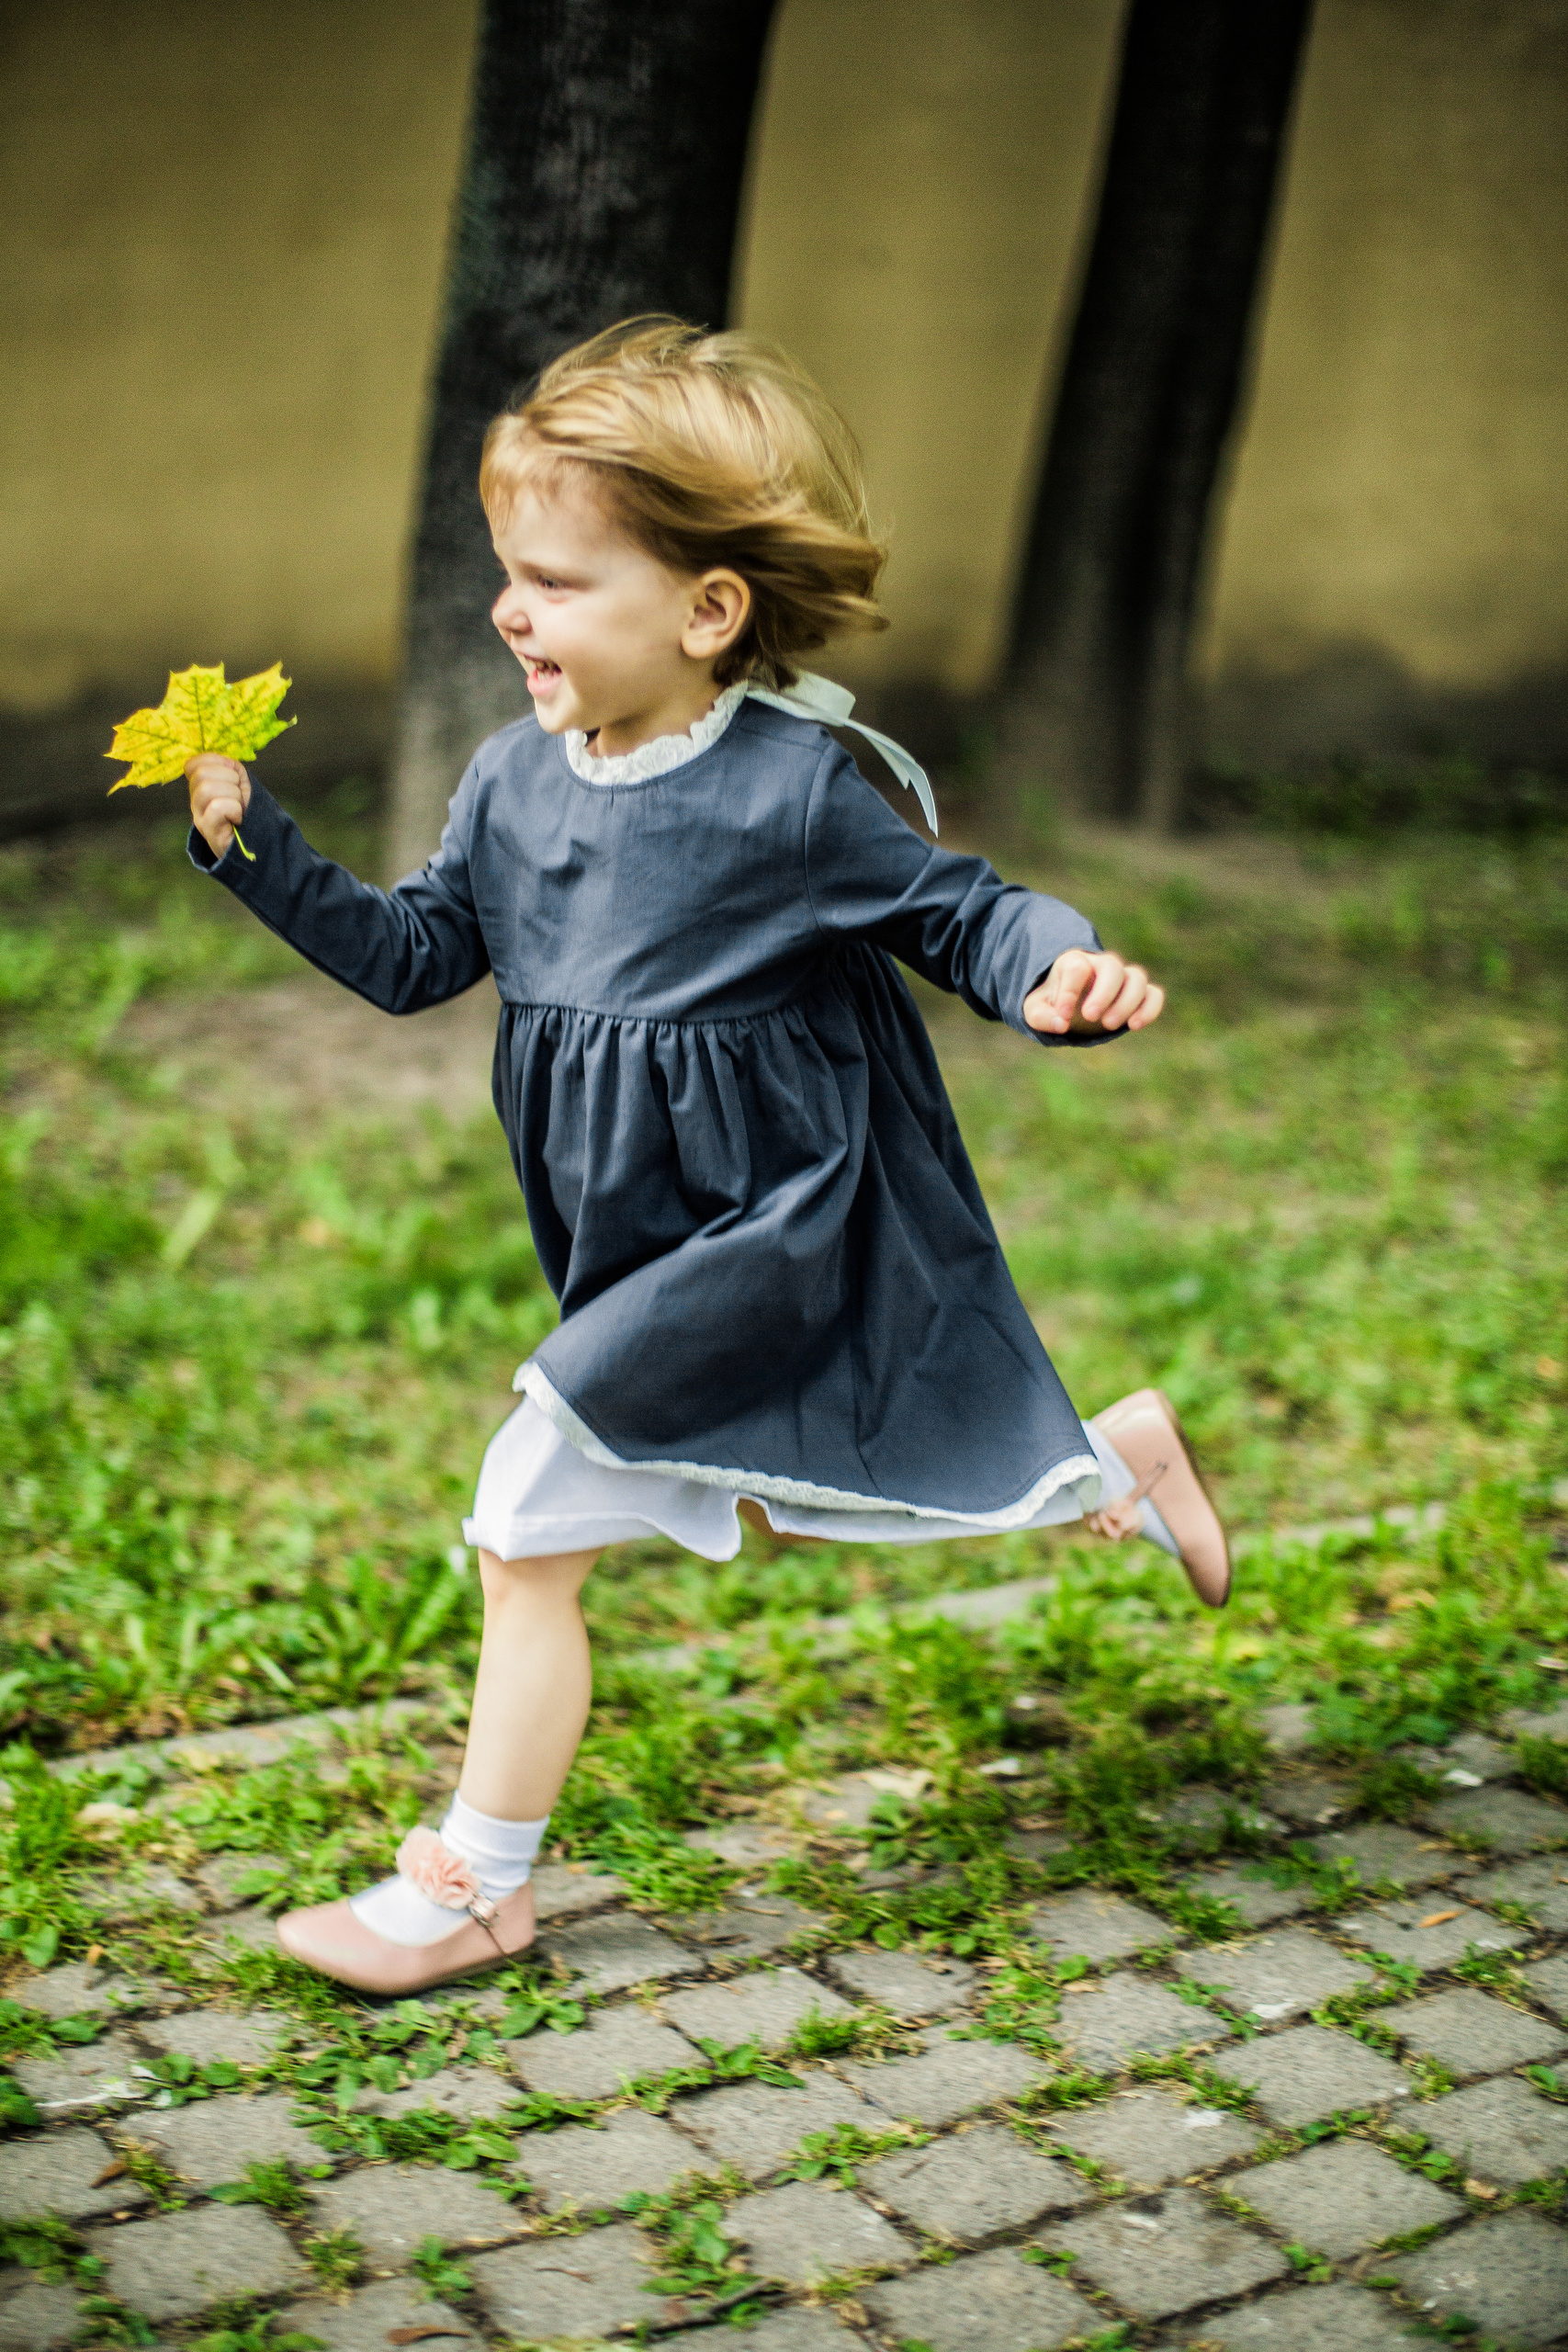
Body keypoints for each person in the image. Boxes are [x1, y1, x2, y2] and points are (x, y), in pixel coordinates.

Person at [184, 319, 1229, 1996]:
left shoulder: (789, 793)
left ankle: (476, 1888)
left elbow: (963, 913)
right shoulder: (511, 783)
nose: (511, 611)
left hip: (774, 1220)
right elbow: (413, 956)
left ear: (707, 610)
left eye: (556, 581)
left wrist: (1057, 973)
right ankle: (1115, 1468)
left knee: (527, 1515)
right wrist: (255, 850)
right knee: (779, 1494)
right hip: (635, 1232)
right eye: (507, 575)